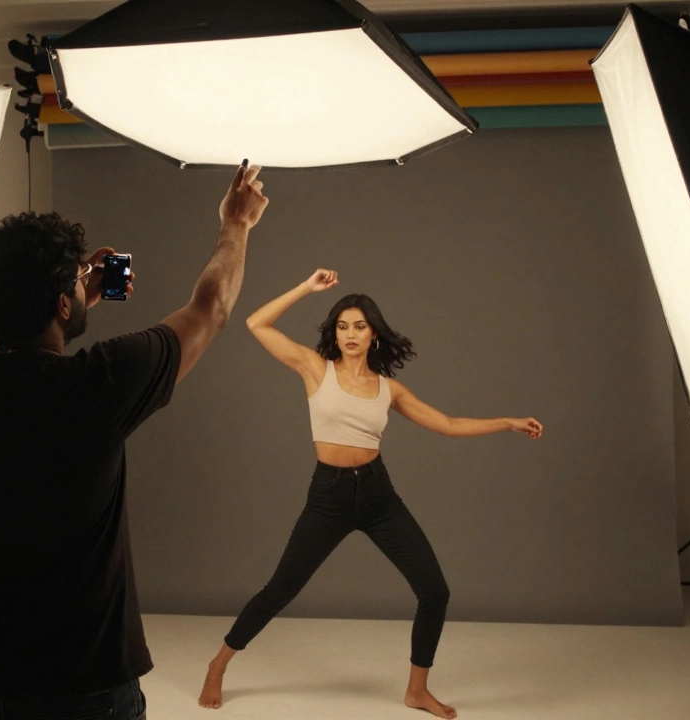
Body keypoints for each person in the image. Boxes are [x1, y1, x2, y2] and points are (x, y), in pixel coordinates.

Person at [0, 163, 270, 720]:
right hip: (86, 686)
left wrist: (62, 300)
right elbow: (211, 311)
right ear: (62, 306)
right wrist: (236, 226)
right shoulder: (98, 383)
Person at [198, 269, 543, 719]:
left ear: (374, 333)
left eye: (359, 326)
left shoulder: (389, 389)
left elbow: (449, 424)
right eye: (342, 326)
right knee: (278, 591)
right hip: (329, 496)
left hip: (378, 496)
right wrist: (307, 288)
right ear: (334, 334)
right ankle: (218, 664)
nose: (350, 334)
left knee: (434, 591)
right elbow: (256, 324)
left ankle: (417, 690)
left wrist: (507, 422)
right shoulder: (314, 368)